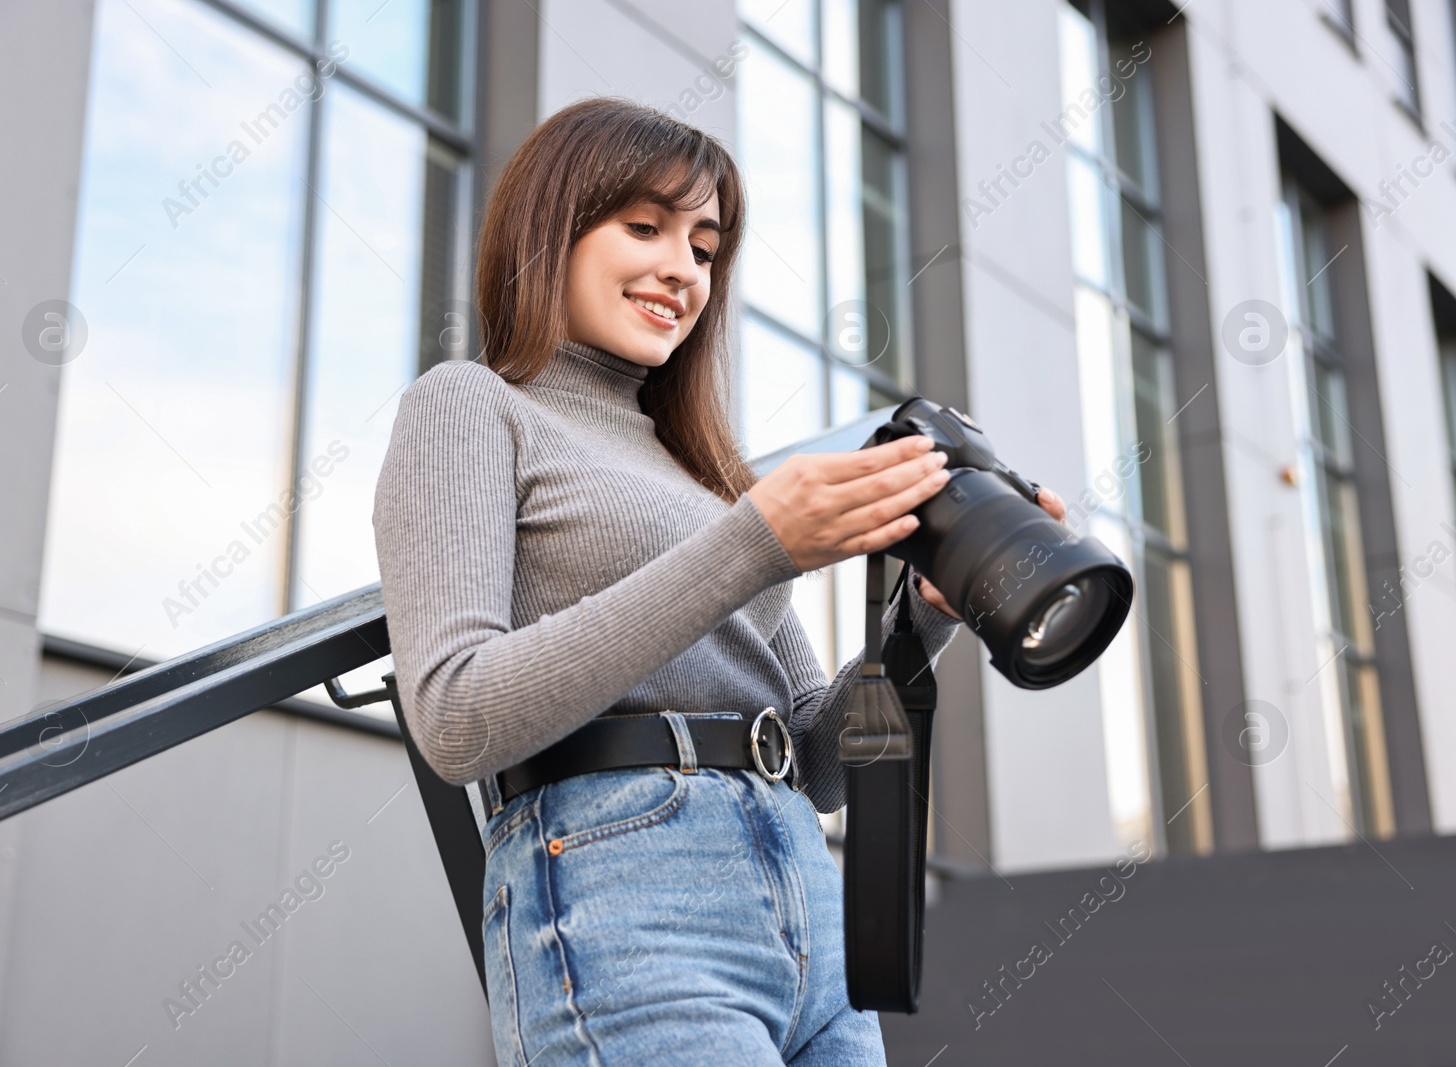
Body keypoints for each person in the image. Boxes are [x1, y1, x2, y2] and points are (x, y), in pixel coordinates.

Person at [373, 96, 1066, 1066]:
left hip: (805, 904)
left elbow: (819, 764)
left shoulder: (708, 476)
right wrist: (755, 540)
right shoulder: (473, 407)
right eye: (644, 227)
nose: (681, 270)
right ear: (551, 226)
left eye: (704, 247)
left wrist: (924, 618)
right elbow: (454, 716)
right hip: (628, 902)